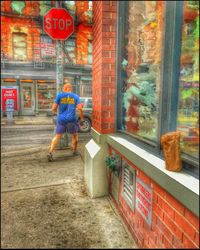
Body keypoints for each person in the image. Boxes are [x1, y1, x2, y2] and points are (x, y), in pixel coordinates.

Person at [47, 83, 84, 161]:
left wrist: (56, 114)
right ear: (70, 88)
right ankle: (74, 151)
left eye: (63, 88)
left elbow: (53, 108)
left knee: (57, 136)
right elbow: (80, 109)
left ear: (65, 88)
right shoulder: (75, 96)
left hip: (61, 120)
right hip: (72, 120)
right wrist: (82, 119)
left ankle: (50, 152)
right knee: (75, 135)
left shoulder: (59, 96)